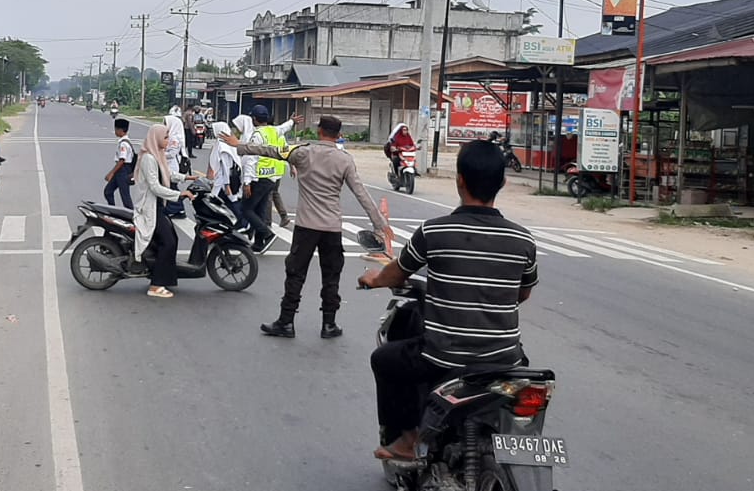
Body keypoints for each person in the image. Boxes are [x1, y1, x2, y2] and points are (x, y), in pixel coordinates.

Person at [357, 140, 538, 461]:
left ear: (460, 180)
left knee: (384, 359)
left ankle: (409, 440)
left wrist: (374, 278)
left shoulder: (434, 231)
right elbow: (521, 294)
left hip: (446, 357)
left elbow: (397, 273)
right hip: (506, 360)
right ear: (503, 183)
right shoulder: (523, 239)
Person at [226, 114, 393, 338]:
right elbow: (361, 194)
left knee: (295, 273)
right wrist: (380, 224)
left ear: (319, 131)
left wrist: (240, 146)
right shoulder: (345, 160)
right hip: (332, 228)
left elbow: (271, 151)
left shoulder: (303, 152)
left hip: (306, 226)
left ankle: (286, 322)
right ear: (339, 135)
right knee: (331, 276)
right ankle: (329, 324)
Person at [134, 123, 196, 299]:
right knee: (168, 242)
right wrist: (179, 194)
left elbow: (167, 174)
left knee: (172, 239)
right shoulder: (148, 159)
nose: (168, 140)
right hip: (150, 208)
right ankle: (155, 286)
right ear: (157, 138)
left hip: (159, 206)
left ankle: (162, 276)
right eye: (166, 137)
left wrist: (188, 177)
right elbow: (155, 186)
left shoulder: (157, 155)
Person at [240, 105, 299, 252]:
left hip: (259, 177)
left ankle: (267, 234)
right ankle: (259, 243)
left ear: (254, 119)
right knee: (260, 209)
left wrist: (247, 182)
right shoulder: (274, 130)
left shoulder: (257, 134)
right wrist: (292, 121)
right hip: (272, 177)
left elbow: (251, 158)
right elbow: (284, 128)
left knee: (246, 209)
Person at [207, 120, 246, 231]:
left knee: (226, 201)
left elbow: (225, 166)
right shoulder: (227, 144)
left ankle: (242, 223)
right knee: (229, 201)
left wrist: (227, 185)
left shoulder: (222, 146)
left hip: (222, 181)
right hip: (225, 179)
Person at [104, 118, 137, 210]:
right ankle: (112, 211)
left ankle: (131, 216)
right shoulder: (124, 142)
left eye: (116, 129)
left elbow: (122, 160)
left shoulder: (124, 144)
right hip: (121, 170)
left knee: (125, 196)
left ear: (120, 130)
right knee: (108, 191)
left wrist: (111, 173)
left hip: (123, 171)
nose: (115, 131)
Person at [163, 106, 190, 217]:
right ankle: (173, 208)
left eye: (165, 123)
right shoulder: (170, 135)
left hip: (172, 166)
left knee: (172, 187)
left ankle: (178, 209)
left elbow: (171, 154)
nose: (164, 125)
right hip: (168, 165)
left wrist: (159, 154)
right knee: (169, 187)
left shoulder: (175, 138)